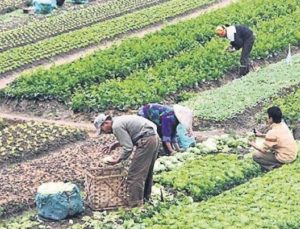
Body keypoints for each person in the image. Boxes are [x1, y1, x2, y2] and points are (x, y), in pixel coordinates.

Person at [94, 114, 160, 208]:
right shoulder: (119, 120)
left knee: (134, 175)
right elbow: (132, 135)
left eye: (102, 129)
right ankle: (146, 199)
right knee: (146, 172)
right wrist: (115, 144)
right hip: (153, 138)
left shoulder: (116, 126)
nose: (104, 132)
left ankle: (136, 205)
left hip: (146, 140)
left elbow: (128, 148)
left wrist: (118, 160)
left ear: (106, 123)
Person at [249, 106, 298, 171]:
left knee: (256, 155)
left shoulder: (272, 132)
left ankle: (276, 167)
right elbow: (277, 137)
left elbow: (263, 150)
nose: (266, 118)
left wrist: (252, 144)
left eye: (267, 116)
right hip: (292, 155)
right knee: (271, 148)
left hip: (285, 158)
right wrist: (261, 135)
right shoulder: (283, 125)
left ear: (271, 119)